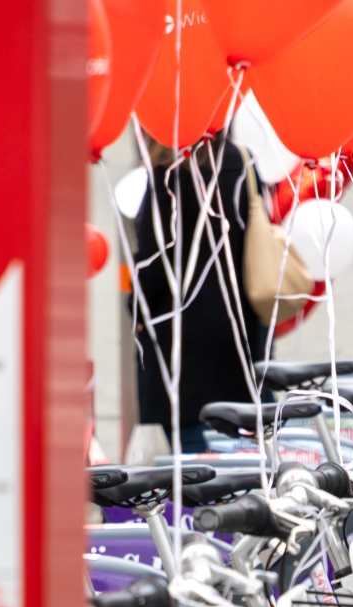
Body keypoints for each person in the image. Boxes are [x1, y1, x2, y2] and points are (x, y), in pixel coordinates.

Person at [130, 134, 263, 453]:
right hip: (237, 323)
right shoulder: (240, 158)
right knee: (238, 442)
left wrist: (136, 309)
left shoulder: (167, 167)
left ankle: (199, 501)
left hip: (179, 332)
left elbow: (154, 259)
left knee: (191, 448)